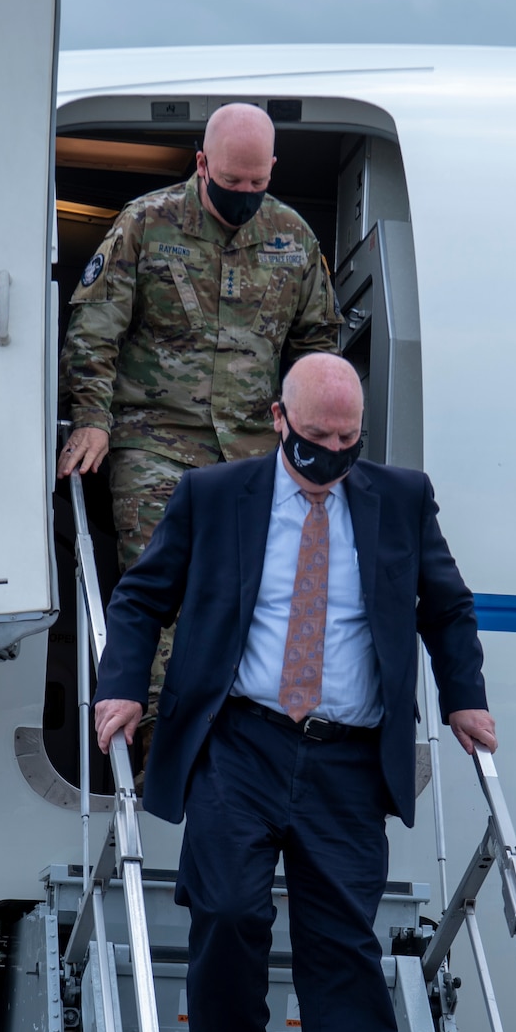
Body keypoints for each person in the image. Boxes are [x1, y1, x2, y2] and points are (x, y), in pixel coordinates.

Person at [92, 353, 496, 1032]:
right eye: (317, 438)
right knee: (229, 908)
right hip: (244, 740)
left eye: (349, 441)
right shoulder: (215, 494)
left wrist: (465, 695)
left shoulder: (400, 497)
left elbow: (446, 606)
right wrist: (119, 684)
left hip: (347, 760)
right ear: (280, 420)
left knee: (343, 952)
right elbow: (140, 597)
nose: (333, 454)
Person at [57, 102, 342, 745]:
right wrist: (93, 420)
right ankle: (157, 734)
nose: (243, 195)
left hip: (251, 446)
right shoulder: (146, 224)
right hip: (157, 438)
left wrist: (310, 434)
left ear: (271, 169)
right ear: (202, 163)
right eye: (230, 182)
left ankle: (237, 738)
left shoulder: (293, 239)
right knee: (161, 581)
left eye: (255, 184)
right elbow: (94, 331)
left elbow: (316, 346)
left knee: (251, 590)